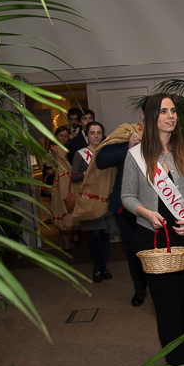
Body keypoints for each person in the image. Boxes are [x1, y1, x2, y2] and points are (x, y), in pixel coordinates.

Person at [121, 93, 184, 366]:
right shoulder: (136, 156)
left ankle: (173, 346)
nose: (171, 116)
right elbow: (126, 197)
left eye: (173, 111)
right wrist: (145, 212)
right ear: (151, 116)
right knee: (168, 309)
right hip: (154, 239)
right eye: (163, 111)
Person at [96, 119, 148, 306]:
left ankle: (157, 286)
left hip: (154, 204)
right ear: (142, 114)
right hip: (125, 206)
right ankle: (139, 287)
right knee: (133, 249)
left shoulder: (164, 136)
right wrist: (128, 147)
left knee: (155, 247)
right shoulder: (126, 133)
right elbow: (101, 161)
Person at [71, 121, 112, 283]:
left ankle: (104, 267)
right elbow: (73, 177)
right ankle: (97, 268)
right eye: (92, 133)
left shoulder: (106, 152)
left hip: (106, 199)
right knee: (94, 235)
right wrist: (86, 173)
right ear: (87, 135)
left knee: (105, 234)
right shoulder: (80, 154)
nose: (96, 136)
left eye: (99, 133)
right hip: (89, 201)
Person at [48, 125, 73, 251]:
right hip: (58, 186)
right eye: (61, 136)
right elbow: (47, 169)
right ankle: (66, 244)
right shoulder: (52, 150)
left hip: (72, 184)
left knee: (73, 210)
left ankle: (75, 237)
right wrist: (55, 166)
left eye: (65, 136)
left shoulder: (71, 148)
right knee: (60, 211)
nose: (63, 138)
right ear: (56, 136)